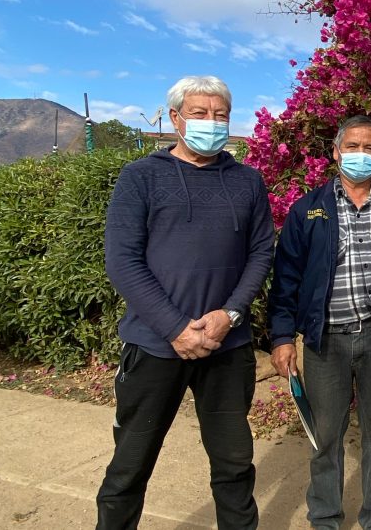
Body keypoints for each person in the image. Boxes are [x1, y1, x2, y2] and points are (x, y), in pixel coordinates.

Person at [96, 75, 275, 530]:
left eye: (220, 115)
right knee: (129, 467)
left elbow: (261, 253)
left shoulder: (247, 182)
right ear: (176, 118)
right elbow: (122, 261)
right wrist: (175, 327)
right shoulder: (141, 177)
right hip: (155, 347)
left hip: (227, 349)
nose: (211, 123)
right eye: (199, 114)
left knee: (234, 466)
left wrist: (228, 315)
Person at [268, 115, 371, 530]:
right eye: (353, 146)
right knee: (326, 438)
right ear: (336, 152)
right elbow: (285, 279)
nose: (362, 154)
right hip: (326, 341)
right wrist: (282, 337)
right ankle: (325, 518)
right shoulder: (308, 210)